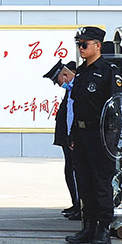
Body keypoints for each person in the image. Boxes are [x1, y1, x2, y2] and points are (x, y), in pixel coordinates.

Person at [64, 27, 122, 244]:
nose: (80, 48)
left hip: (101, 135)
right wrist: (72, 134)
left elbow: (117, 107)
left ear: (98, 45)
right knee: (84, 182)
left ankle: (103, 228)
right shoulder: (81, 71)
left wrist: (114, 138)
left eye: (84, 44)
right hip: (81, 134)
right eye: (79, 44)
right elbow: (77, 105)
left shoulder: (109, 71)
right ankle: (88, 226)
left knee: (100, 183)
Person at [46, 60, 79, 219]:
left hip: (74, 139)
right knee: (70, 171)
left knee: (75, 172)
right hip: (68, 139)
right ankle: (77, 204)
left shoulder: (78, 87)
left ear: (65, 74)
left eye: (59, 82)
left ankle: (80, 206)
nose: (60, 85)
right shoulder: (71, 89)